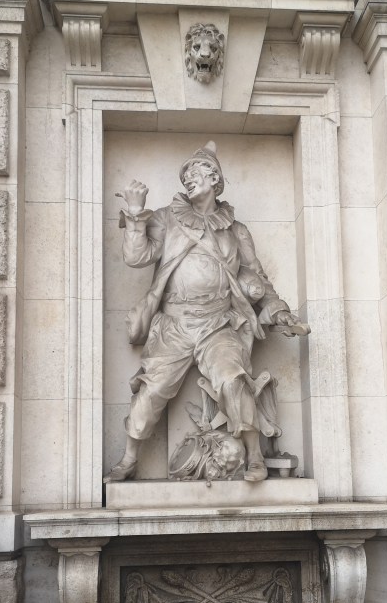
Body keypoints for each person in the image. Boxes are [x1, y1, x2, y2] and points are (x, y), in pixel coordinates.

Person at [103, 142, 303, 483]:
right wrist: (136, 214)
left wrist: (279, 311)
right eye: (185, 175)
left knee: (233, 378)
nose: (188, 179)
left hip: (219, 323)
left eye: (195, 172)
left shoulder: (236, 230)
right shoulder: (167, 217)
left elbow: (257, 278)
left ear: (215, 179)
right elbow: (137, 257)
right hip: (175, 324)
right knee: (152, 389)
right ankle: (129, 459)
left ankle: (255, 454)